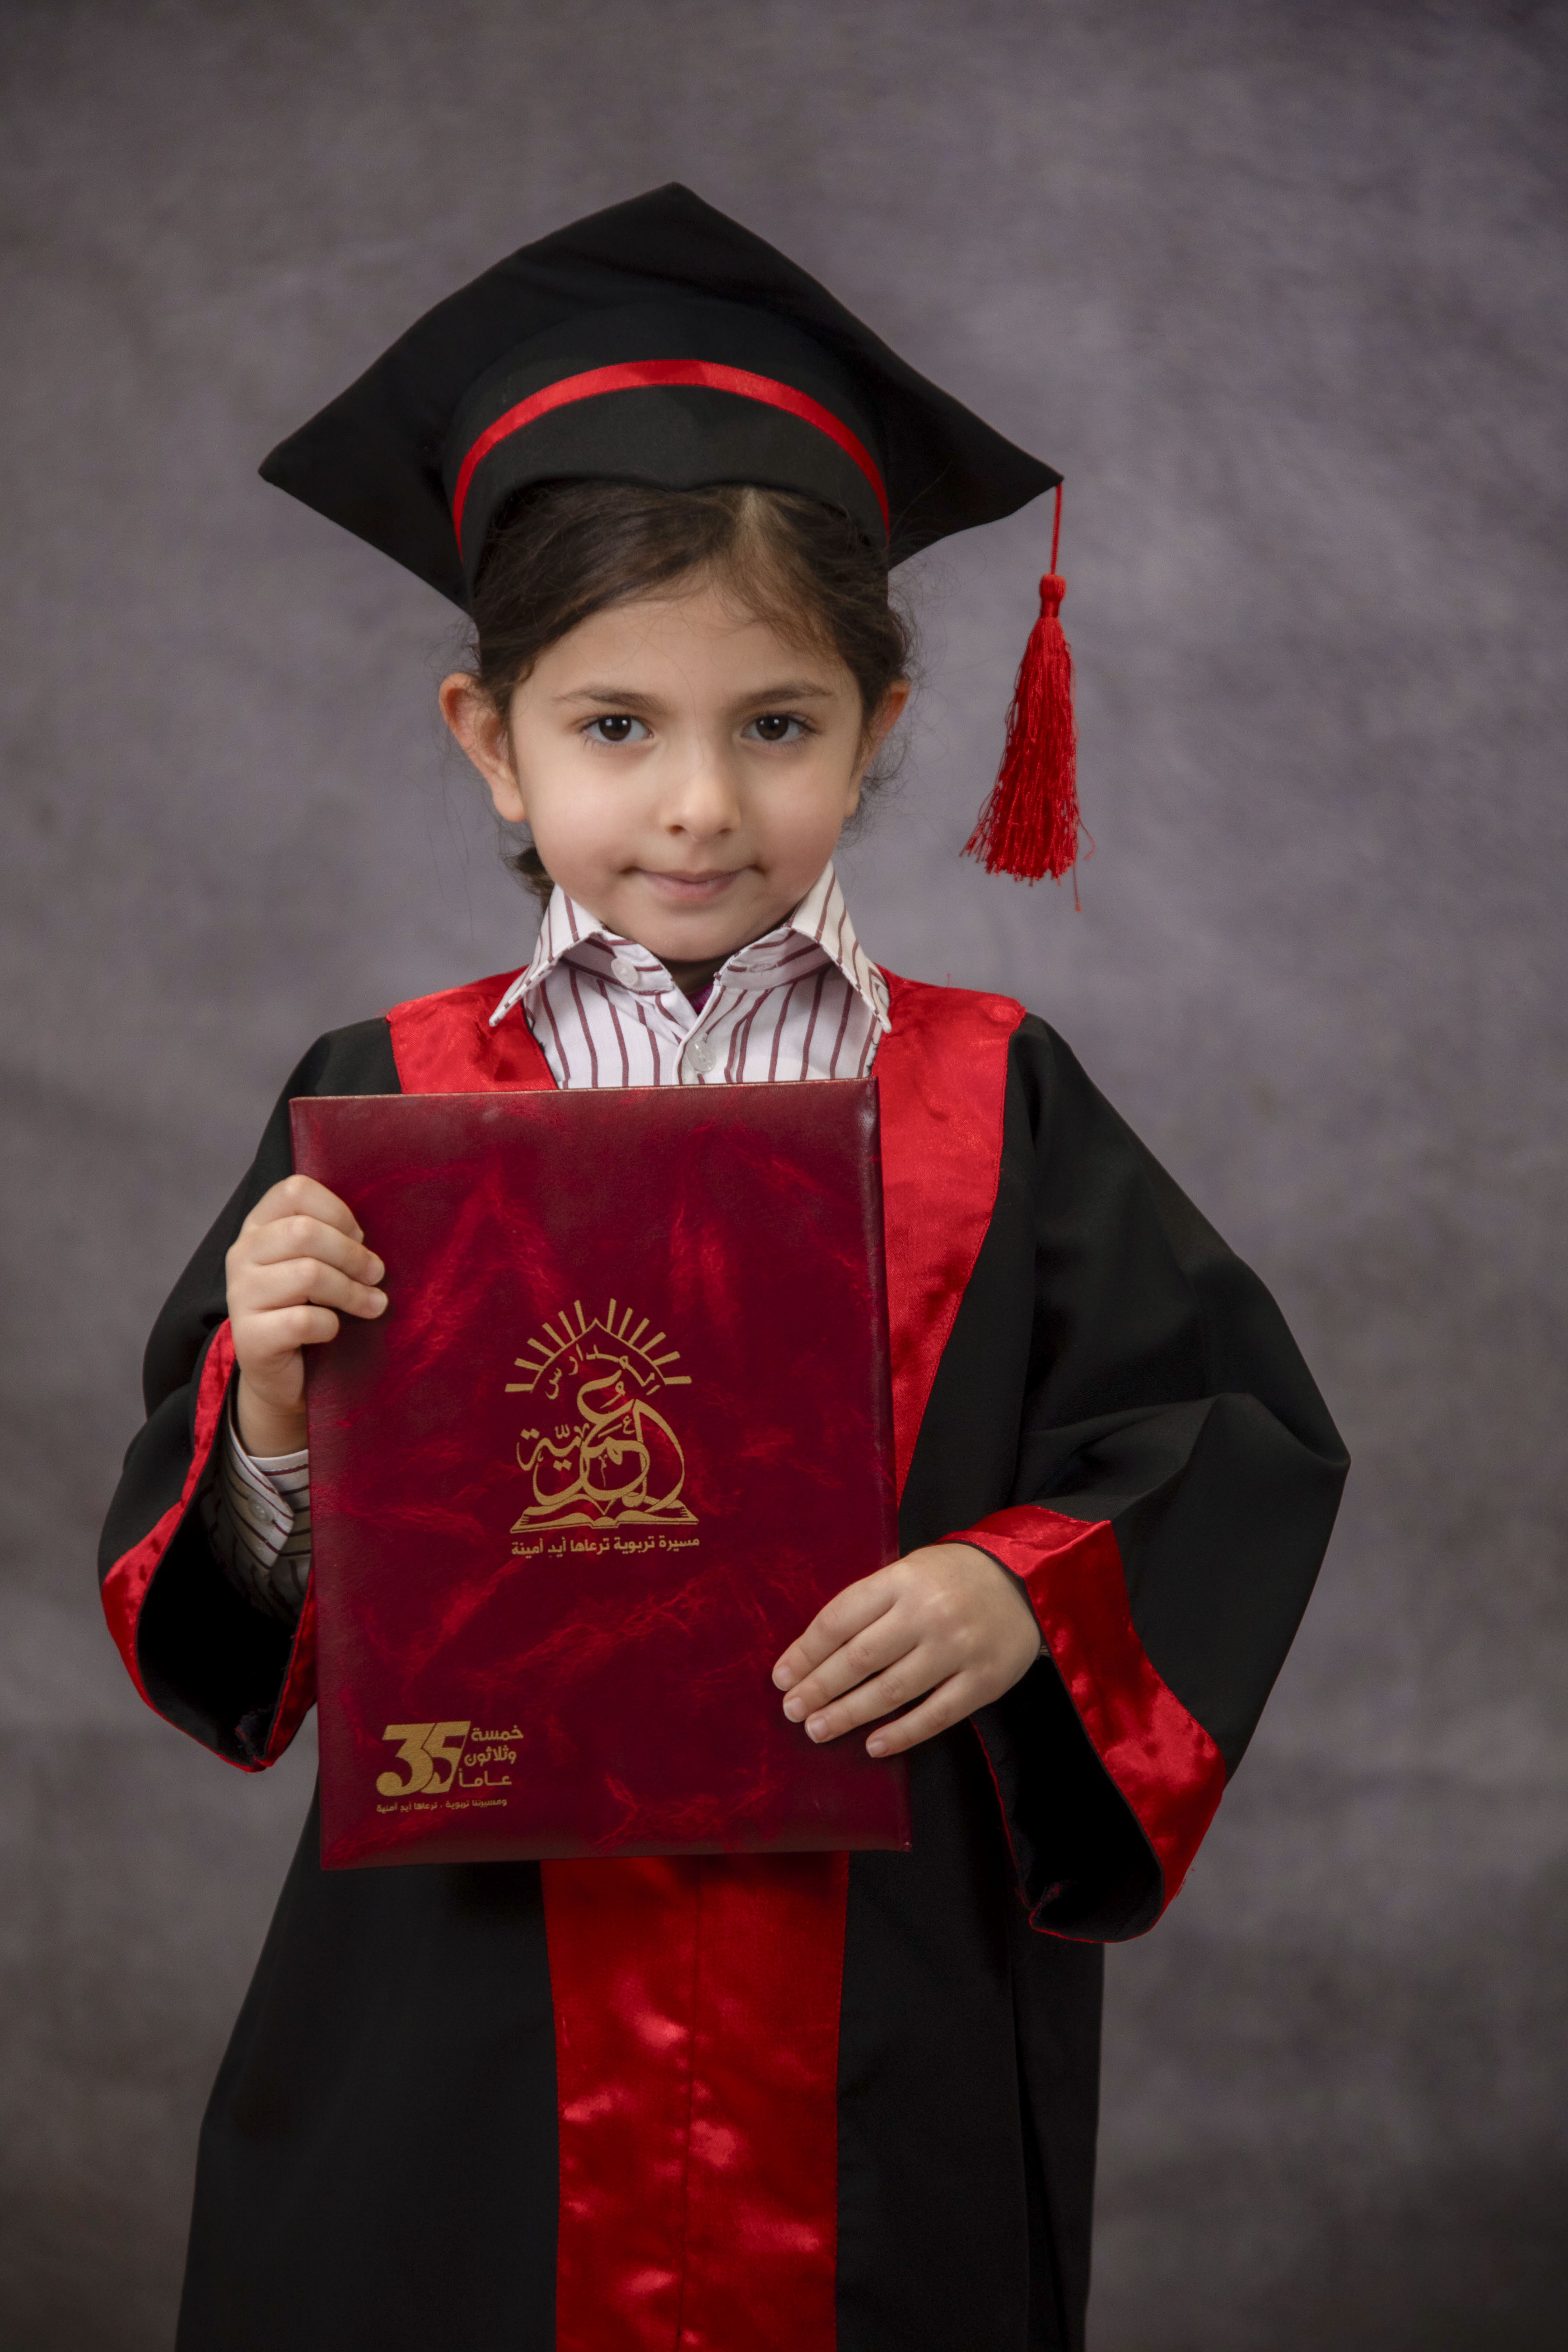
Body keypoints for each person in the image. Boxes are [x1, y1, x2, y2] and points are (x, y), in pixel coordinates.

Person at [98, 186, 1349, 2352]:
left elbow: (1221, 1439)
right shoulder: (378, 1098)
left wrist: (1018, 1588)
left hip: (882, 2009)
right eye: (616, 727)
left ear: (878, 721)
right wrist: (275, 1402)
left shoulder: (992, 1096)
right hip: (464, 2021)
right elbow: (231, 1637)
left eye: (777, 725)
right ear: (488, 734)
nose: (697, 806)